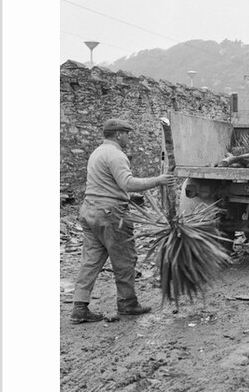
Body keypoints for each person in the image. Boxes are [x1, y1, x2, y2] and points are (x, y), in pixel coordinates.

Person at [71, 118, 175, 324]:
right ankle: (127, 304)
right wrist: (159, 180)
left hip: (90, 210)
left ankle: (79, 307)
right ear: (118, 134)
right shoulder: (116, 155)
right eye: (127, 133)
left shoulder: (97, 153)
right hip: (110, 215)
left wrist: (128, 198)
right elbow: (127, 183)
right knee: (125, 260)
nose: (128, 137)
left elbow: (106, 183)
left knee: (91, 261)